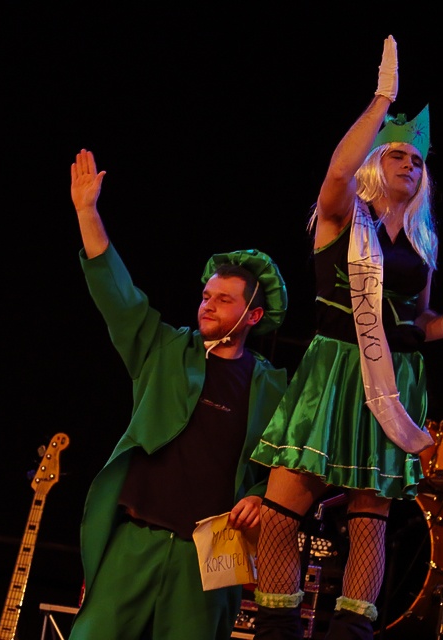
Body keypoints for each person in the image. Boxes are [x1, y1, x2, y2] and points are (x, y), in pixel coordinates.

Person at [248, 36, 443, 639]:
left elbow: (417, 324)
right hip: (334, 370)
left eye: (418, 161)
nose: (410, 166)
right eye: (398, 155)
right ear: (376, 161)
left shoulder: (424, 245)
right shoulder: (345, 215)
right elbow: (336, 172)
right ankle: (276, 629)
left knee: (370, 520)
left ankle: (351, 634)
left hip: (393, 381)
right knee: (282, 511)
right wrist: (382, 99)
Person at [66, 148, 289, 640]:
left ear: (252, 316)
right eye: (206, 296)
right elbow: (118, 296)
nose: (208, 305)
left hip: (209, 558)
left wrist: (259, 497)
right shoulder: (164, 349)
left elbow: (282, 466)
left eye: (224, 300)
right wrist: (87, 212)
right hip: (136, 542)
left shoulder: (273, 386)